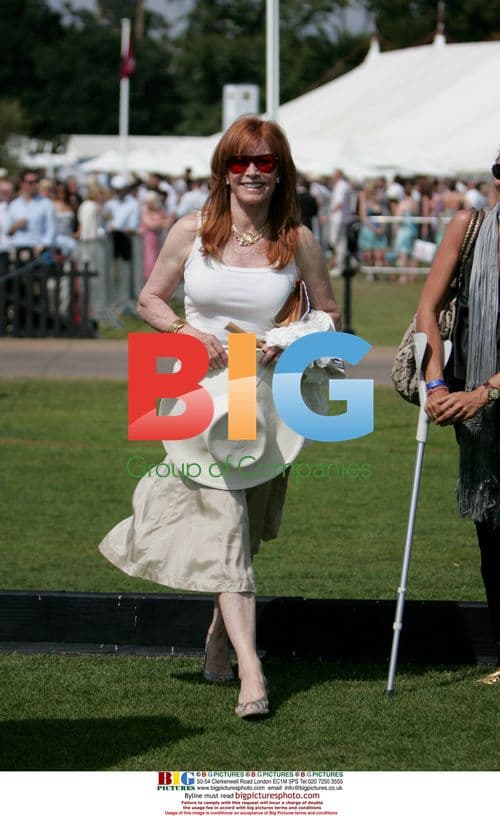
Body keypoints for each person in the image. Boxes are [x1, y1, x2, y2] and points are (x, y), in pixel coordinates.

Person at [98, 116, 341, 717]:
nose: (252, 173)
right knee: (228, 520)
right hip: (199, 397)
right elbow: (149, 298)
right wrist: (185, 332)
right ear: (224, 170)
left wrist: (289, 336)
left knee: (245, 529)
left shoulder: (299, 239)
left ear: (279, 170)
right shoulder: (192, 230)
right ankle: (251, 673)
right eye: (241, 163)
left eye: (264, 163)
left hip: (264, 398)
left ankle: (216, 642)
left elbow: (330, 315)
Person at [416, 153, 500, 685]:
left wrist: (484, 393)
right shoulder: (468, 229)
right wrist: (436, 382)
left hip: (483, 399)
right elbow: (428, 310)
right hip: (478, 418)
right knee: (492, 536)